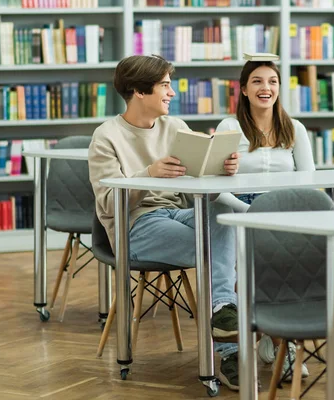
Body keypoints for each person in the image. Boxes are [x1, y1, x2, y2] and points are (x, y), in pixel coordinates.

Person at [88, 55, 242, 391]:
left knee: (228, 218)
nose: (172, 93)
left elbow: (200, 184)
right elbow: (106, 203)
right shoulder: (106, 137)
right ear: (139, 91)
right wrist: (148, 175)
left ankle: (223, 311)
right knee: (222, 248)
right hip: (137, 225)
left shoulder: (176, 127)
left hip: (180, 213)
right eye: (165, 86)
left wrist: (221, 168)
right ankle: (231, 348)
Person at [215, 59, 316, 381]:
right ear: (244, 89)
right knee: (248, 271)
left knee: (292, 271)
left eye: (272, 81)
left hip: (283, 211)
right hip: (237, 210)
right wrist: (251, 214)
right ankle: (235, 350)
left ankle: (279, 341)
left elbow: (308, 182)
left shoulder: (294, 128)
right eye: (257, 81)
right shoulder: (230, 127)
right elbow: (215, 186)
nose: (266, 88)